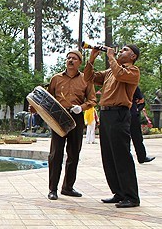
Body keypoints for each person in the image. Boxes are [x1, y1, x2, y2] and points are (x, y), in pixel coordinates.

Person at [83, 44, 141, 208]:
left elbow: (119, 74)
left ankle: (131, 196)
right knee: (108, 156)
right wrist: (92, 58)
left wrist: (110, 57)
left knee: (122, 156)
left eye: (125, 50)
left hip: (119, 114)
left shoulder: (132, 71)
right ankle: (119, 192)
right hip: (107, 114)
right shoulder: (110, 71)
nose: (121, 51)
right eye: (120, 49)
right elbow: (89, 78)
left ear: (133, 56)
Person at [43, 49, 97, 201]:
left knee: (74, 153)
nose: (70, 60)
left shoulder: (86, 79)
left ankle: (67, 187)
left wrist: (82, 107)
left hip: (76, 117)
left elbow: (92, 100)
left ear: (80, 62)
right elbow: (48, 97)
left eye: (74, 58)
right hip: (59, 117)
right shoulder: (56, 78)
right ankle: (52, 189)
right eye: (68, 58)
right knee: (56, 153)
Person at [130, 86, 155, 164]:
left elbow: (142, 101)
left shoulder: (133, 86)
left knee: (137, 137)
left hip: (132, 114)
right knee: (127, 138)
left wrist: (137, 110)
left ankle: (141, 157)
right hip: (125, 114)